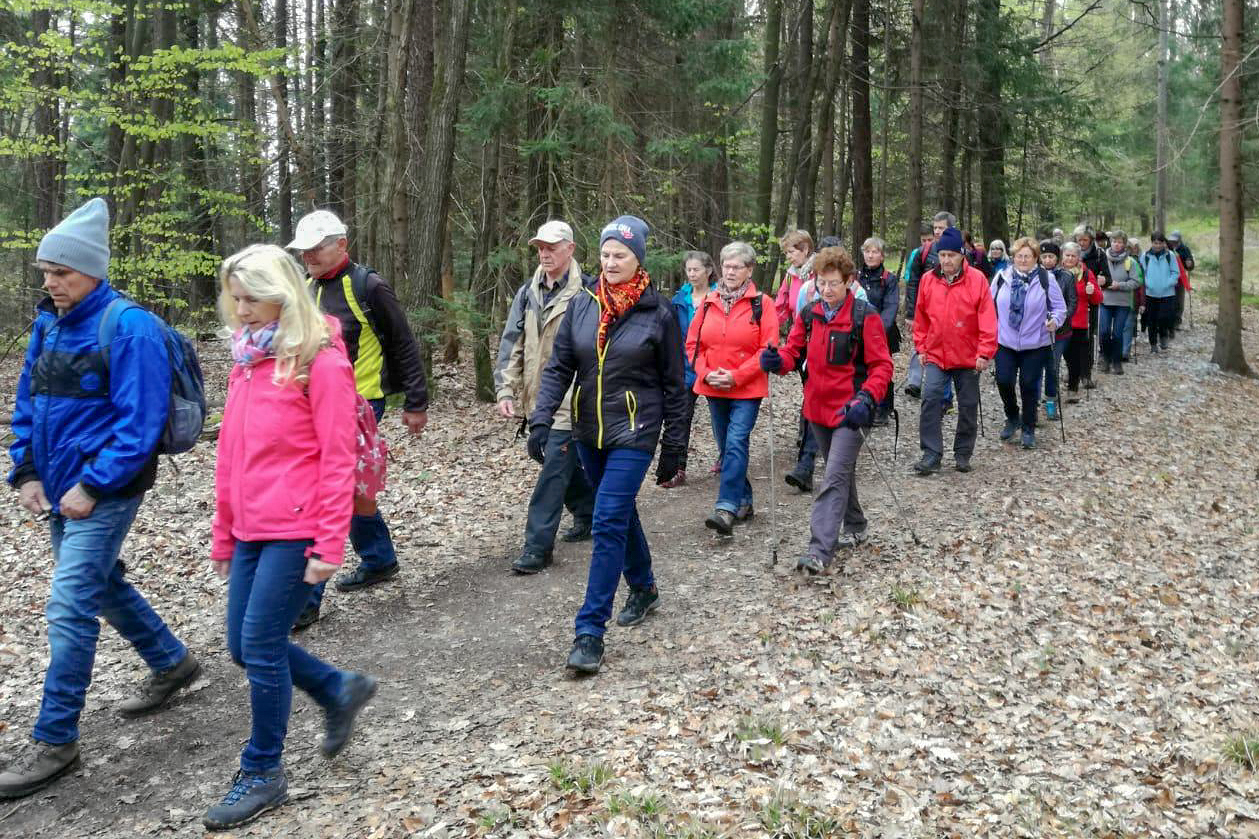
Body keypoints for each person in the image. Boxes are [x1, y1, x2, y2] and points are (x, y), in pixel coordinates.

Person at [0, 199, 201, 800]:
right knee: (100, 583)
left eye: (60, 272)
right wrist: (25, 470)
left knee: (69, 605)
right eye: (45, 271)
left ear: (91, 270)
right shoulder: (48, 324)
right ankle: (171, 661)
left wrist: (92, 487)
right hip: (57, 486)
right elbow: (28, 403)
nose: (50, 282)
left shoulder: (130, 327)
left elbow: (140, 424)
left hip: (105, 490)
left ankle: (56, 740)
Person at [205, 244, 377, 830]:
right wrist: (224, 533)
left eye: (253, 298)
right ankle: (337, 688)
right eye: (236, 298)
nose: (242, 309)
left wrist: (329, 543)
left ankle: (263, 771)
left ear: (282, 294)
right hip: (250, 527)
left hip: (297, 526)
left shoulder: (319, 360)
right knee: (241, 645)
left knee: (259, 644)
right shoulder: (248, 360)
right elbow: (231, 456)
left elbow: (337, 458)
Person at [528, 215, 687, 676]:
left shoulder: (658, 312)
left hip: (636, 431)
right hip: (589, 431)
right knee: (617, 512)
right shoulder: (583, 303)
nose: (611, 262)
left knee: (607, 520)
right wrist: (541, 419)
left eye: (621, 254)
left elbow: (675, 385)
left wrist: (674, 448)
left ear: (639, 259)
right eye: (605, 253)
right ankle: (645, 587)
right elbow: (560, 367)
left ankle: (590, 631)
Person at [286, 210, 429, 629]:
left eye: (316, 248)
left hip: (361, 403)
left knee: (326, 489)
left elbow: (403, 343)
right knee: (347, 489)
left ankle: (305, 599)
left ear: (341, 245)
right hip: (312, 405)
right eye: (303, 250)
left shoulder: (368, 286)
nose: (308, 256)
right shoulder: (306, 288)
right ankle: (379, 558)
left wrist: (416, 402)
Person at [759, 247, 893, 574]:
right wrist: (777, 361)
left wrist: (867, 399)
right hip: (817, 409)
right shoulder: (810, 313)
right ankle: (856, 525)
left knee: (832, 477)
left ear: (848, 281)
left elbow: (882, 366)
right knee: (840, 471)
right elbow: (793, 352)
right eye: (821, 282)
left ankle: (819, 551)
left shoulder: (864, 316)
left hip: (851, 410)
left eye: (834, 283)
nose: (827, 289)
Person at [494, 220, 596, 573]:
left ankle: (537, 547)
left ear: (570, 248)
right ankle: (588, 510)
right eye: (540, 247)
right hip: (537, 398)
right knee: (547, 456)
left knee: (553, 467)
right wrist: (505, 388)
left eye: (551, 247)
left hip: (573, 400)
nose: (544, 253)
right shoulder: (528, 292)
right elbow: (512, 343)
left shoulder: (588, 293)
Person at [686, 242, 779, 534]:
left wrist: (737, 376)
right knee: (727, 447)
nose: (730, 271)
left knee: (736, 441)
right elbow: (693, 345)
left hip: (747, 389)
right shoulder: (709, 301)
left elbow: (768, 349)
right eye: (726, 265)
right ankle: (745, 500)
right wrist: (706, 373)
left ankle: (725, 507)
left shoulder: (762, 304)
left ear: (749, 270)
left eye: (737, 267)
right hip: (714, 386)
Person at [910, 227, 996, 475]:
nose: (946, 260)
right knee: (930, 399)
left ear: (962, 255)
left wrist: (984, 352)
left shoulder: (977, 280)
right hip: (936, 354)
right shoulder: (928, 279)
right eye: (942, 255)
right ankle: (931, 453)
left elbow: (988, 319)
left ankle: (963, 453)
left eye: (951, 255)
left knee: (968, 405)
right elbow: (921, 317)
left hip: (968, 356)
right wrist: (921, 347)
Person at [990, 238, 1067, 450]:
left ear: (1035, 258)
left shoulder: (1046, 279)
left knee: (1029, 385)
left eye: (1028, 256)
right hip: (1005, 341)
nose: (1023, 260)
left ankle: (1028, 428)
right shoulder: (1002, 277)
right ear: (1013, 257)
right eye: (1019, 256)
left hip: (1036, 342)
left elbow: (1060, 308)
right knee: (1003, 381)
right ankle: (1012, 416)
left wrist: (1055, 321)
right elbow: (987, 305)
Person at [665, 251, 716, 487]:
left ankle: (726, 458)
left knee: (720, 418)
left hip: (713, 366)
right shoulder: (679, 300)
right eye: (689, 270)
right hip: (684, 368)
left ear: (708, 270)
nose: (692, 274)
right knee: (681, 417)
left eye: (697, 269)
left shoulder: (719, 297)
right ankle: (677, 468)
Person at [775, 230, 821, 492]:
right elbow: (781, 306)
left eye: (792, 251)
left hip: (824, 340)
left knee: (814, 393)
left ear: (805, 249)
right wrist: (768, 332)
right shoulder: (791, 276)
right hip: (800, 339)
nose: (789, 256)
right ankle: (809, 439)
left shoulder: (820, 273)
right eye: (787, 252)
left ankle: (809, 455)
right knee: (809, 391)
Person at [904, 212, 957, 411]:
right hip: (927, 311)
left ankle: (945, 397)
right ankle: (923, 387)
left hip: (953, 313)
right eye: (935, 227)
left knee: (948, 351)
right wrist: (911, 313)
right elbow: (913, 282)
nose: (936, 231)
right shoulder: (923, 252)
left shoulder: (961, 252)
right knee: (926, 349)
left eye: (941, 228)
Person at [855, 237, 900, 426]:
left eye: (875, 252)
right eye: (867, 251)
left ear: (882, 256)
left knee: (882, 367)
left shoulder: (889, 279)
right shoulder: (856, 276)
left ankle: (884, 409)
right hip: (858, 329)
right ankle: (864, 405)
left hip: (883, 331)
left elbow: (891, 307)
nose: (870, 255)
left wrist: (877, 332)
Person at [1038, 240, 1077, 421]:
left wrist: (1059, 320)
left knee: (1052, 366)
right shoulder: (1033, 275)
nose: (1047, 260)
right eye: (1044, 256)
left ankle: (1051, 401)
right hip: (1038, 331)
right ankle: (1034, 402)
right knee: (1036, 367)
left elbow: (1072, 302)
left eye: (1051, 256)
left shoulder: (1067, 277)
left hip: (1060, 332)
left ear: (1057, 258)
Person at [1061, 242, 1101, 402]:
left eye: (1073, 256)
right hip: (1060, 322)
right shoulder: (1056, 273)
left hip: (1079, 323)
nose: (1070, 258)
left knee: (1074, 358)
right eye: (1067, 255)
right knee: (1065, 356)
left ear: (1079, 257)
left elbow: (1098, 299)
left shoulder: (1086, 274)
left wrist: (1092, 291)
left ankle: (1073, 389)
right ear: (1062, 256)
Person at [1099, 230, 1143, 375]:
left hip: (1122, 303)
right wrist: (1101, 282)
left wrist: (1120, 285)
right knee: (1104, 332)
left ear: (1124, 244)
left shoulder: (1131, 262)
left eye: (1120, 242)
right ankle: (1105, 359)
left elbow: (1137, 281)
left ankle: (1116, 362)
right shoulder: (1102, 258)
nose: (1116, 244)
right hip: (1104, 301)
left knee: (1118, 333)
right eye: (1114, 241)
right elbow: (1094, 276)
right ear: (1110, 242)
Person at [1073, 225, 1109, 389]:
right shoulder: (1069, 252)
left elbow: (1107, 277)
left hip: (1089, 302)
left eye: (1085, 240)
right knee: (1070, 338)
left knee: (1087, 338)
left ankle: (1086, 374)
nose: (1081, 243)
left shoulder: (1099, 254)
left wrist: (1103, 280)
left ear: (1091, 240)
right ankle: (1073, 370)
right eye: (1079, 239)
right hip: (1071, 301)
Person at [1140, 232, 1179, 353]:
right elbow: (1141, 273)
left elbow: (1175, 272)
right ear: (1151, 243)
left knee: (1164, 317)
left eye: (1160, 243)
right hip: (1150, 293)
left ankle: (1163, 336)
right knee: (1151, 320)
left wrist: (1168, 282)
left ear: (1164, 243)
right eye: (1155, 243)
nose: (1157, 246)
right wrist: (1148, 283)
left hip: (1167, 293)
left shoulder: (1170, 255)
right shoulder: (1145, 256)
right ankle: (1153, 344)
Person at [1169, 230, 1194, 334]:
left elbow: (1190, 264)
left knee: (1179, 301)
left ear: (1179, 240)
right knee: (1169, 300)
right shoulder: (1168, 248)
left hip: (1180, 279)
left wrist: (1190, 264)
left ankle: (1177, 322)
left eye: (1175, 241)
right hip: (1169, 277)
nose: (1173, 243)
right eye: (1172, 241)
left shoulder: (1184, 249)